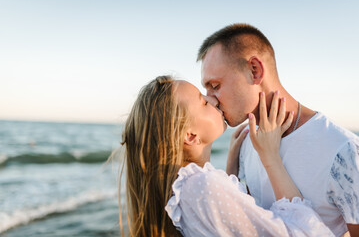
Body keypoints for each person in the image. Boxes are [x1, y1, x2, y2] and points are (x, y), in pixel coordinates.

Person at [197, 23, 359, 236]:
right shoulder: (246, 143)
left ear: (255, 70)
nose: (211, 100)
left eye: (215, 86)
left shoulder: (343, 150)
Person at [120, 75, 333, 236]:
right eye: (203, 102)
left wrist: (231, 170)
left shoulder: (185, 188)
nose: (213, 99)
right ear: (191, 136)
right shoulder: (203, 186)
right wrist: (270, 157)